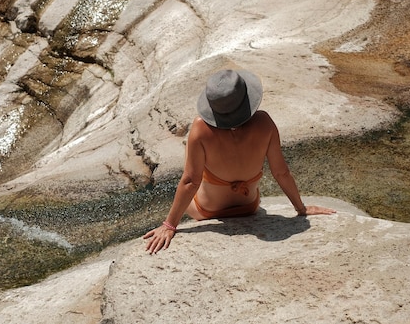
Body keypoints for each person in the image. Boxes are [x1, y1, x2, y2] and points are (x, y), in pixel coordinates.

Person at [143, 68, 336, 254]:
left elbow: (190, 182)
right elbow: (281, 173)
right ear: (246, 101)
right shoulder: (264, 123)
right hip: (249, 206)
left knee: (190, 167)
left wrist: (169, 225)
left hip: (207, 211)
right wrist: (301, 209)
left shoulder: (200, 128)